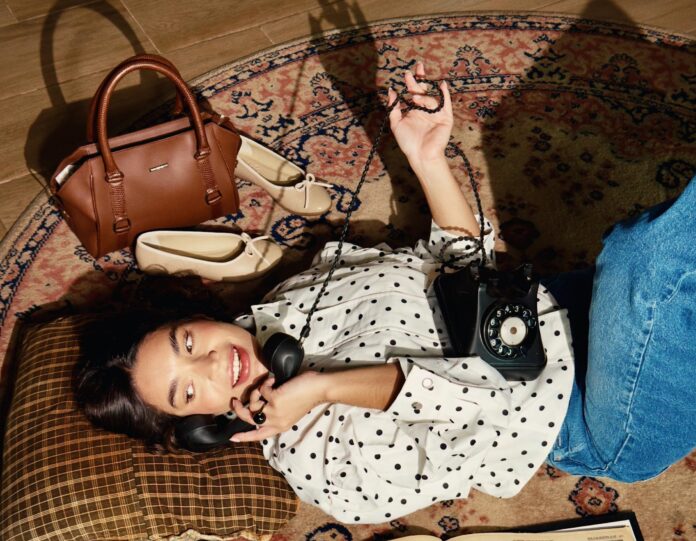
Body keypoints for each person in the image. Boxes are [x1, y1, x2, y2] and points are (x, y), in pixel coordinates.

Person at [73, 61, 696, 524]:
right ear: (201, 426)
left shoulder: (290, 297)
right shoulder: (322, 470)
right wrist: (322, 389)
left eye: (187, 342)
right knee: (649, 257)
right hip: (586, 413)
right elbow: (488, 395)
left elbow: (466, 269)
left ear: (193, 315)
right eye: (188, 391)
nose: (213, 364)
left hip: (557, 306)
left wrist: (427, 158)